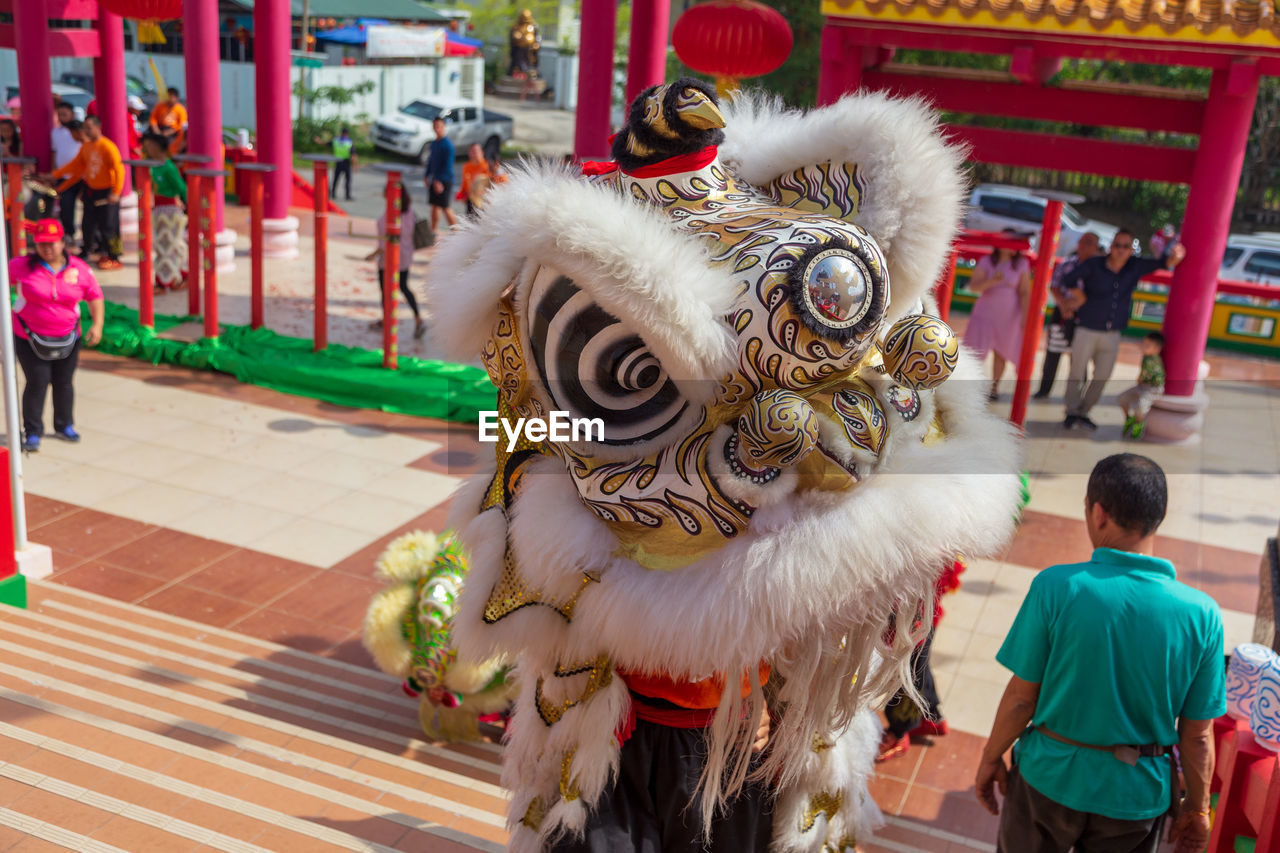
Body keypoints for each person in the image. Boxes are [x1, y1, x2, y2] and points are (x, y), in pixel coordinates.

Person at [975, 453, 1223, 853]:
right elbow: (1198, 735)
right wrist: (1197, 809)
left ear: (1099, 512)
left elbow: (1023, 698)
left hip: (1048, 781)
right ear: (1156, 517)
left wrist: (991, 757)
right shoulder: (1202, 615)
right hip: (1136, 799)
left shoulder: (1056, 587)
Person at [1062, 230, 1185, 431]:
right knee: (1077, 372)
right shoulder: (1095, 264)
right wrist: (1079, 297)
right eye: (1117, 245)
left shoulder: (1134, 266)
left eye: (1125, 246)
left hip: (1112, 333)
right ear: (1111, 246)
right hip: (1087, 327)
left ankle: (1084, 412)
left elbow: (1164, 263)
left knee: (1102, 375)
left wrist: (1175, 253)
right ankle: (1071, 411)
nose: (1120, 250)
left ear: (1131, 249)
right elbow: (1069, 279)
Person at [9, 219, 105, 453]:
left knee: (64, 382)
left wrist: (98, 325)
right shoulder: (20, 266)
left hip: (69, 337)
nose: (47, 248)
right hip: (28, 336)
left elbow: (94, 295)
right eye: (41, 244)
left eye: (52, 243)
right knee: (37, 382)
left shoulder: (80, 269)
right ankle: (32, 432)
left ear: (64, 243)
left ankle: (64, 425)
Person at [877, 557, 965, 762]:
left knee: (906, 675)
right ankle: (930, 715)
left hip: (910, 620)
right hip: (921, 612)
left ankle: (899, 732)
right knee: (918, 665)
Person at [963, 232, 1032, 401]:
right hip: (985, 312)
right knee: (975, 348)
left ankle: (994, 387)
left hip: (1009, 314)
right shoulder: (987, 261)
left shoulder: (1021, 264)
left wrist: (1025, 316)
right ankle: (970, 384)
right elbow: (974, 287)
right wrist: (992, 281)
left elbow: (1024, 292)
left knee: (1002, 350)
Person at [52, 115, 124, 270]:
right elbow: (75, 166)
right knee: (87, 223)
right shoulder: (86, 147)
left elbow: (119, 169)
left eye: (88, 128)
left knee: (109, 226)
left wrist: (116, 192)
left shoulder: (107, 146)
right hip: (92, 191)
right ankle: (86, 251)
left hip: (107, 192)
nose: (85, 131)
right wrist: (56, 176)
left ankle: (114, 256)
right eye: (84, 128)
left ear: (98, 128)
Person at [1034, 232, 1100, 399]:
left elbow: (1096, 295)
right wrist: (1064, 305)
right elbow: (1055, 285)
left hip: (1084, 316)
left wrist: (1073, 305)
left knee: (1079, 356)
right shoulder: (1067, 264)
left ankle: (1076, 394)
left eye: (1090, 243)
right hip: (1062, 312)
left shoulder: (1099, 269)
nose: (1084, 245)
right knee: (1053, 352)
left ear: (1096, 248)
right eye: (1083, 241)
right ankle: (1044, 389)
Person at [365, 182, 426, 339]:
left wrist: (372, 256)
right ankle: (418, 318)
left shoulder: (389, 215)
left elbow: (385, 243)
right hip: (405, 257)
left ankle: (387, 320)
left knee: (386, 291)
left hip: (389, 259)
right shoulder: (410, 211)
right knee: (404, 287)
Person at [140, 132, 187, 291]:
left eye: (148, 145)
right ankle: (170, 278)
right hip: (159, 209)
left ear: (156, 146)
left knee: (169, 245)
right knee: (162, 245)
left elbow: (181, 188)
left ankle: (168, 281)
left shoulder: (168, 167)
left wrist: (187, 206)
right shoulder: (152, 166)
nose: (146, 149)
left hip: (170, 210)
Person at [1118, 331, 1165, 440]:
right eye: (1144, 343)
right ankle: (1129, 419)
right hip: (1142, 386)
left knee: (1140, 406)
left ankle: (1139, 424)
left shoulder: (1154, 361)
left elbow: (1153, 378)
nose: (1144, 346)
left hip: (1152, 389)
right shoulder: (1146, 357)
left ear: (1157, 349)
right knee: (1122, 398)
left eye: (1148, 345)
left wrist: (1141, 379)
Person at [50, 103, 83, 245]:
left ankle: (92, 239)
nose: (62, 117)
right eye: (60, 114)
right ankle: (69, 233)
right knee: (66, 206)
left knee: (89, 210)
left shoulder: (80, 132)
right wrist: (54, 173)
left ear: (72, 115)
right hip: (64, 176)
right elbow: (54, 152)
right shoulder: (55, 132)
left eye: (65, 114)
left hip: (82, 176)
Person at [423, 117, 458, 232]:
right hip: (435, 179)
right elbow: (431, 161)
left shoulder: (447, 145)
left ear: (444, 127)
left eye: (439, 126)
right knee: (434, 206)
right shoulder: (434, 143)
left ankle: (457, 233)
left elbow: (448, 166)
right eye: (435, 126)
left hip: (444, 180)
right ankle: (433, 231)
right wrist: (427, 175)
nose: (437, 129)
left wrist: (439, 181)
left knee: (445, 207)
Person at [149, 87, 188, 154]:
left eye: (171, 97)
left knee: (169, 143)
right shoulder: (160, 106)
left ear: (176, 98)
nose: (169, 99)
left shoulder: (180, 109)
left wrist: (171, 131)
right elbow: (153, 119)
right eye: (168, 96)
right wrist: (156, 129)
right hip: (160, 128)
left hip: (173, 131)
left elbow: (182, 125)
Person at [457, 142, 490, 217]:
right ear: (469, 153)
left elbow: (499, 181)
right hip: (471, 201)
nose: (475, 153)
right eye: (472, 151)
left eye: (476, 151)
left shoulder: (488, 166)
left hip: (485, 201)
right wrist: (461, 195)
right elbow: (464, 185)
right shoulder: (466, 167)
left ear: (482, 152)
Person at [330, 126, 355, 201]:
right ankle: (347, 195)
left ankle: (333, 193)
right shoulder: (349, 142)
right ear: (347, 134)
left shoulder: (336, 140)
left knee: (336, 178)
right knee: (347, 179)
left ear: (341, 133)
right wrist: (354, 164)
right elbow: (353, 154)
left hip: (338, 162)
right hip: (346, 163)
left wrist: (318, 141)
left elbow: (326, 143)